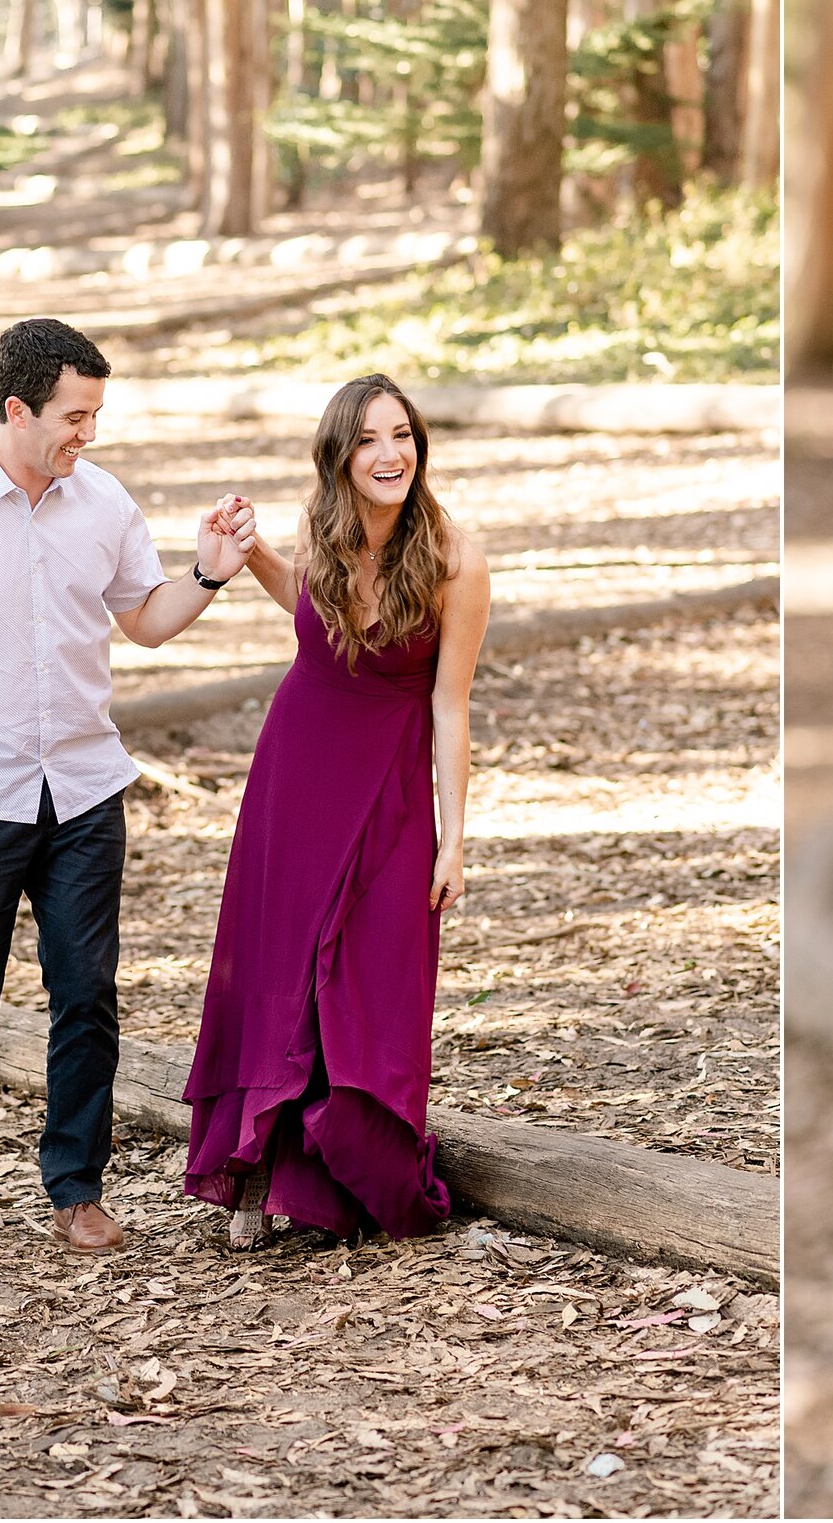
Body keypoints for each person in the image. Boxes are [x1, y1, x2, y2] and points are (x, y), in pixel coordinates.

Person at [0, 316, 256, 1262]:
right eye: (76, 416)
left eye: (97, 414)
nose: (90, 434)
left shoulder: (103, 502)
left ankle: (76, 1190)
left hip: (82, 792)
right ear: (16, 409)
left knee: (87, 997)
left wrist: (208, 573)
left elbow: (146, 622)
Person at [181, 373, 490, 1249]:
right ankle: (253, 1168)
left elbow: (450, 706)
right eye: (367, 440)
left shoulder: (456, 560)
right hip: (297, 771)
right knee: (279, 966)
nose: (389, 453)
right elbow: (316, 613)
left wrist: (453, 840)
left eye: (402, 435)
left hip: (388, 784)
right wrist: (255, 555)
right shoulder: (329, 532)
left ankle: (353, 1177)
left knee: (369, 974)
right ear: (339, 456)